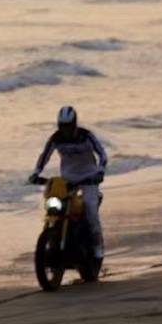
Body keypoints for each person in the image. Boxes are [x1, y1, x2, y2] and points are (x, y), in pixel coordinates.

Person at [28, 105, 108, 257]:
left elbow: (102, 155)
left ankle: (97, 248)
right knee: (55, 208)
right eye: (62, 126)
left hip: (89, 178)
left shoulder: (86, 136)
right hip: (67, 178)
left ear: (74, 124)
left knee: (90, 212)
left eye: (68, 126)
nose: (65, 130)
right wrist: (36, 173)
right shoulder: (55, 138)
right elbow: (44, 156)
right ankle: (55, 239)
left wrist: (100, 172)